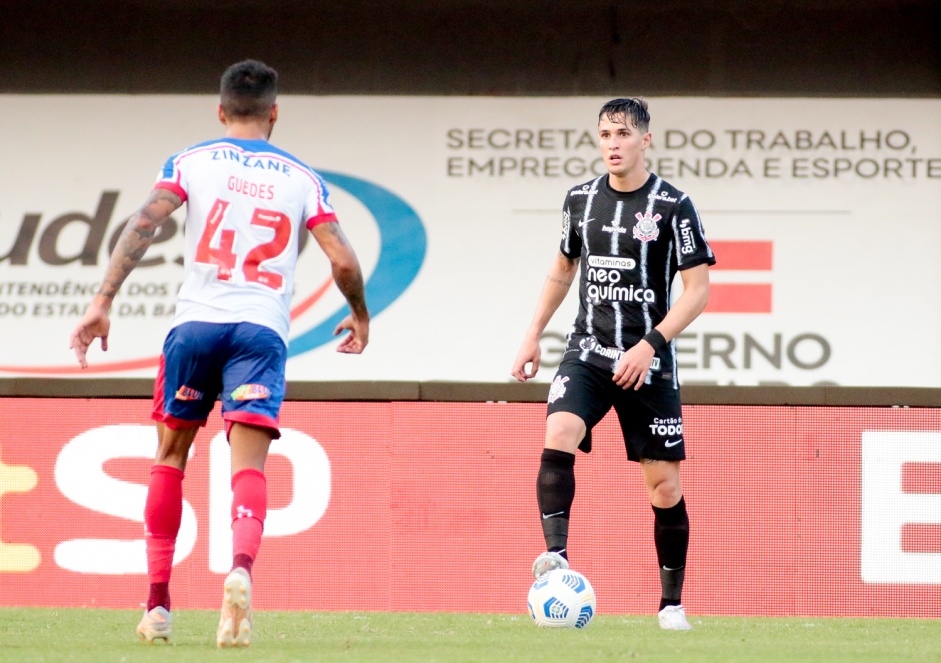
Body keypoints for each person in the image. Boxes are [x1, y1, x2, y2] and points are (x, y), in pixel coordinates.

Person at [69, 59, 370, 647]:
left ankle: (157, 606)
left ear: (221, 109)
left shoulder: (192, 161)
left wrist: (103, 300)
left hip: (195, 325)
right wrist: (359, 314)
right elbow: (341, 260)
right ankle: (239, 572)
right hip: (260, 331)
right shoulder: (302, 179)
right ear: (275, 112)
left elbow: (144, 221)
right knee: (249, 466)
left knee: (171, 456)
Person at [511, 98, 714, 631]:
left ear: (645, 140)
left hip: (648, 364)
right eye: (604, 134)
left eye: (623, 133)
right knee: (559, 431)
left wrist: (650, 343)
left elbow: (697, 292)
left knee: (664, 487)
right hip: (589, 351)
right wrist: (532, 336)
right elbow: (562, 269)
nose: (613, 143)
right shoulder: (580, 200)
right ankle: (557, 556)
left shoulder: (674, 206)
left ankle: (671, 605)